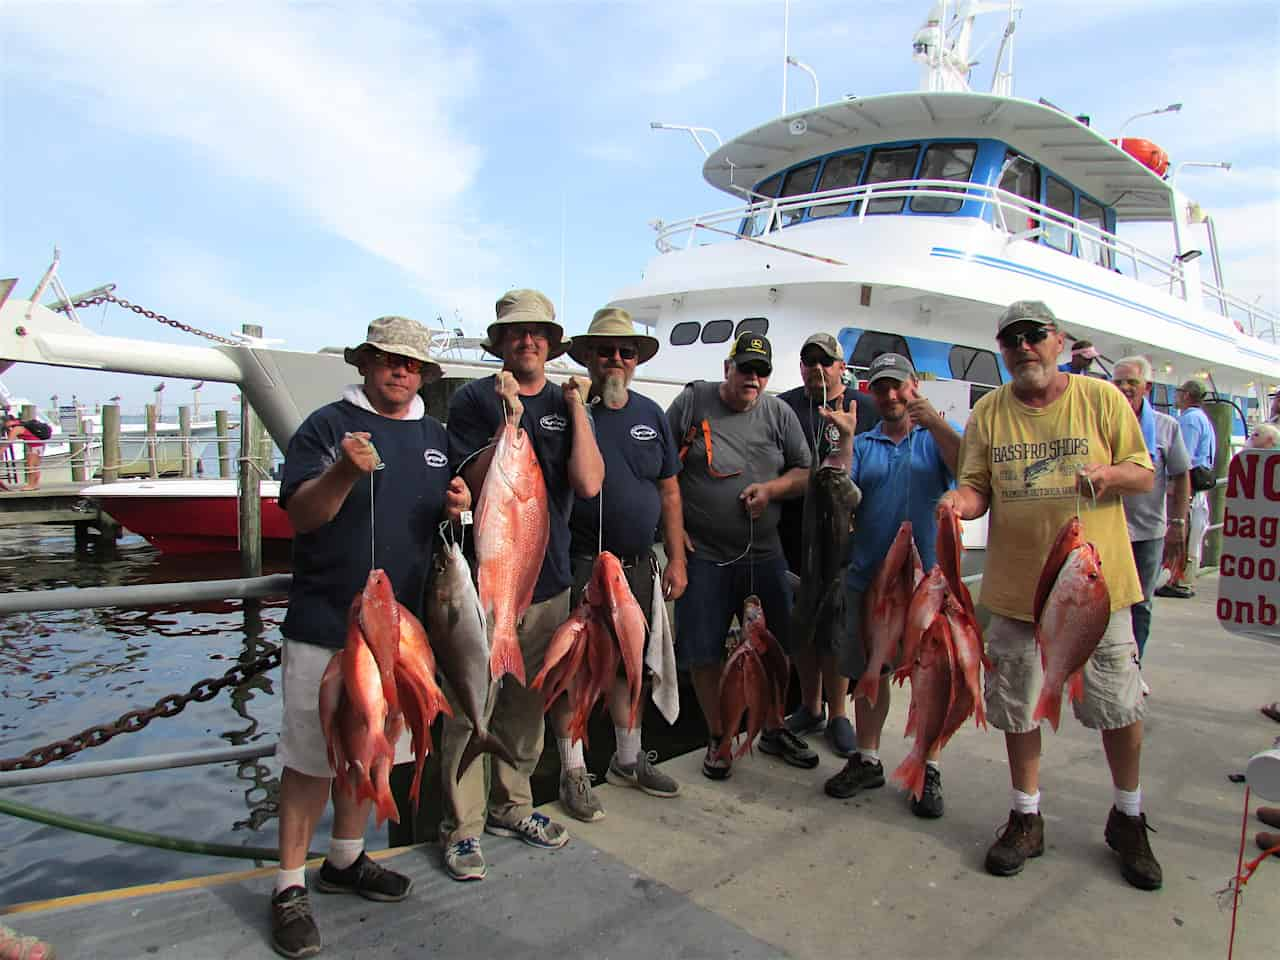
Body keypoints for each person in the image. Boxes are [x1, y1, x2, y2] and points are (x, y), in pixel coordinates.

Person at [939, 300, 1162, 891]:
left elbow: (1143, 471)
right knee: (1018, 706)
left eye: (1033, 335)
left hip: (1096, 591)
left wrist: (1109, 476)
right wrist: (959, 505)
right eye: (1011, 340)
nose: (1023, 347)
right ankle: (1026, 816)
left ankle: (1130, 817)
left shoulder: (1101, 399)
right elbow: (977, 488)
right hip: (1016, 594)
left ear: (1058, 341)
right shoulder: (989, 411)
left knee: (1117, 706)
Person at [271, 316, 470, 958]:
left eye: (410, 364)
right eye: (387, 360)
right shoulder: (328, 426)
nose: (399, 371)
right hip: (326, 625)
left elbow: (436, 525)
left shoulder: (437, 435)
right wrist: (343, 474)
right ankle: (287, 887)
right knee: (309, 758)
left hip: (404, 635)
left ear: (423, 375)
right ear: (364, 364)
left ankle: (347, 860)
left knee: (378, 748)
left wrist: (455, 507)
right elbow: (303, 514)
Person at [441, 289, 604, 880]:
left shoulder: (566, 402)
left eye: (537, 332)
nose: (527, 340)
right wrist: (507, 424)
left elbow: (586, 484)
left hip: (549, 580)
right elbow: (473, 482)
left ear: (551, 343)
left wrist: (579, 409)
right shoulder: (471, 402)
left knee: (527, 704)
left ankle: (515, 806)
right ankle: (462, 827)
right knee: (469, 704)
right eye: (515, 333)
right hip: (490, 587)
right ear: (500, 344)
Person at [667, 332, 815, 778]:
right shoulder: (692, 403)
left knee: (775, 648)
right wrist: (674, 535)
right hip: (707, 555)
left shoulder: (779, 414)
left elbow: (806, 473)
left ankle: (771, 727)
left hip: (764, 554)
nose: (753, 378)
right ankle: (719, 737)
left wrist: (771, 490)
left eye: (762, 371)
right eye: (746, 368)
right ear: (727, 368)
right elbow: (661, 471)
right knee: (703, 651)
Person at [820, 354, 961, 818]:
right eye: (881, 388)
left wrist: (936, 422)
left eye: (897, 386)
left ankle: (929, 765)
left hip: (929, 585)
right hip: (870, 581)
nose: (890, 396)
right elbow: (844, 488)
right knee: (870, 671)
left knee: (931, 678)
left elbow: (966, 468)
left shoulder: (934, 438)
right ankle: (868, 757)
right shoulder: (864, 443)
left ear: (914, 386)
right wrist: (843, 440)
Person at [561, 307, 686, 818]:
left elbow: (670, 489)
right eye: (605, 351)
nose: (616, 359)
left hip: (638, 564)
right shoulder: (569, 410)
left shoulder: (652, 414)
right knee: (574, 671)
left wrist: (676, 558)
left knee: (629, 668)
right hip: (579, 563)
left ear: (636, 361)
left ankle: (627, 760)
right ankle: (572, 770)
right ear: (589, 357)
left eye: (626, 352)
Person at [778, 333, 878, 756]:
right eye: (808, 359)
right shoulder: (784, 406)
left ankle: (839, 712)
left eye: (825, 360)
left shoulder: (864, 406)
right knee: (802, 621)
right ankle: (809, 705)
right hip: (794, 531)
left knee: (837, 621)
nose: (816, 367)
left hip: (844, 532)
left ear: (842, 366)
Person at [1110, 356, 1190, 688]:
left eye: (1131, 382)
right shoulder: (1104, 421)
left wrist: (1178, 522)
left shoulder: (1166, 426)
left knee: (1141, 604)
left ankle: (1133, 669)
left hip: (1148, 531)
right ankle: (1101, 669)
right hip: (1107, 531)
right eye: (1118, 382)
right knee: (1101, 605)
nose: (1124, 388)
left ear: (1147, 387)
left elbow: (1181, 475)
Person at [1158, 379, 1216, 598]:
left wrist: (1175, 485)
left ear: (1187, 395)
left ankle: (1178, 579)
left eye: (1179, 391)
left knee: (1182, 531)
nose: (1176, 395)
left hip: (1189, 487)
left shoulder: (1190, 420)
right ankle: (1183, 578)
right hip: (1200, 485)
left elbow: (1184, 457)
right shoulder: (1203, 419)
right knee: (1193, 534)